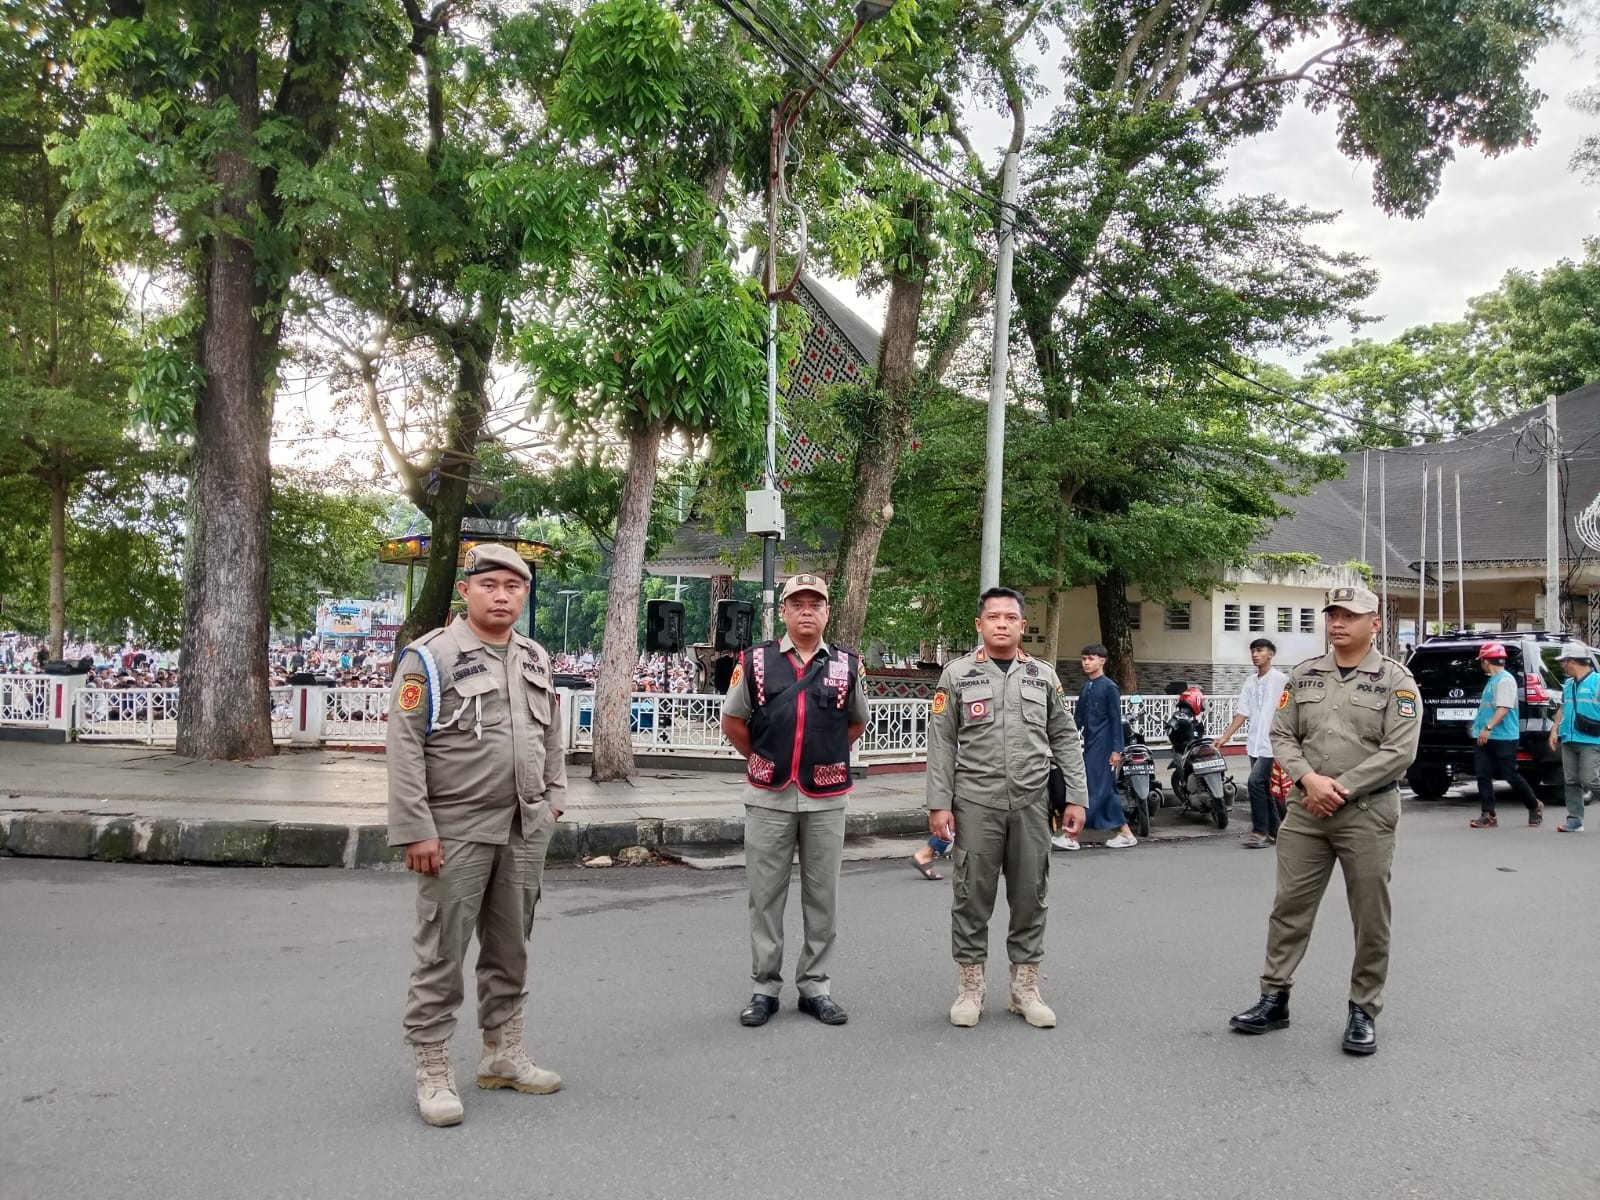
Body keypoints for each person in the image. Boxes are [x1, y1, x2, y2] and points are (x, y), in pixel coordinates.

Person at [386, 543, 566, 1127]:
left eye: (513, 587)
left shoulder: (535, 657)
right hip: (455, 829)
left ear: (525, 594)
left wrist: (555, 800)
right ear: (466, 591)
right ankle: (434, 1069)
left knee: (511, 947)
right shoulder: (430, 658)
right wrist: (415, 828)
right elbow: (405, 746)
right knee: (442, 952)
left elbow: (552, 736)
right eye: (489, 584)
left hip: (523, 827)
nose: (502, 595)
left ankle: (503, 1053)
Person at [1229, 584, 1420, 1057]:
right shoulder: (1304, 676)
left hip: (1368, 812)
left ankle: (1363, 1009)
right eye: (1332, 614)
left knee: (1370, 916)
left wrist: (1340, 787)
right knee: (1289, 907)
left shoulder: (1397, 681)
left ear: (1374, 623)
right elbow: (1282, 733)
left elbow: (1400, 752)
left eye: (1350, 616)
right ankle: (1274, 998)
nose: (1337, 623)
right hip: (1306, 811)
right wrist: (1309, 780)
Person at [926, 587, 1089, 1028]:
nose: (1002, 623)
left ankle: (1025, 988)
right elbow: (940, 744)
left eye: (1010, 617)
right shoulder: (957, 675)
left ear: (1022, 625)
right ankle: (970, 988)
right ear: (979, 625)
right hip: (976, 803)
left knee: (1030, 897)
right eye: (993, 617)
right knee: (970, 897)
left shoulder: (1043, 676)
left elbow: (1065, 739)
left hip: (1032, 804)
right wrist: (939, 804)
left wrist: (1076, 795)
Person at [719, 573, 868, 1028]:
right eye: (797, 603)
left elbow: (856, 723)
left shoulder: (847, 664)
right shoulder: (756, 661)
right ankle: (764, 987)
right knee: (765, 898)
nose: (807, 610)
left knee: (823, 897)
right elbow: (733, 720)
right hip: (769, 795)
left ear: (827, 612)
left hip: (826, 797)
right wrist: (767, 758)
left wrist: (818, 755)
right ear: (783, 611)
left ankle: (816, 987)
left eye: (815, 604)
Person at [1215, 638, 1290, 849]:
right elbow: (1242, 713)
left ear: (1271, 654)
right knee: (1265, 788)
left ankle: (1260, 832)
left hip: (1273, 743)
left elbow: (1290, 710)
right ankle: (1276, 832)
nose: (1255, 655)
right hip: (1255, 743)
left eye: (1260, 650)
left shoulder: (1281, 680)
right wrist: (1224, 737)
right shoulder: (1250, 681)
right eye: (1252, 651)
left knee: (1255, 783)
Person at [1467, 641, 1543, 829]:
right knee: (1483, 774)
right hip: (1485, 736)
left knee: (1510, 774)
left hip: (1503, 737)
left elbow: (1504, 708)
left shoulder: (1505, 680)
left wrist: (1488, 727)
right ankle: (1488, 814)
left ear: (1485, 660)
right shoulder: (1492, 680)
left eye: (1481, 660)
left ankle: (1534, 805)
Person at [1068, 643, 1133, 849]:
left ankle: (1071, 836)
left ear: (1102, 661)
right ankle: (1125, 833)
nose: (1086, 663)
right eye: (1084, 659)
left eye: (1091, 659)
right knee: (1103, 789)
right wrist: (1065, 738)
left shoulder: (1109, 687)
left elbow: (1116, 719)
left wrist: (1116, 750)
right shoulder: (1086, 686)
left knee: (1095, 789)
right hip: (1091, 743)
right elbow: (1078, 718)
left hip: (1104, 745)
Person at [1549, 642, 1600, 833]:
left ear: (1571, 661)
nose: (1562, 665)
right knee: (1571, 781)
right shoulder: (1568, 684)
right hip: (1569, 739)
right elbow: (1562, 708)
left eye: (1563, 661)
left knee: (1590, 780)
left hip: (1592, 740)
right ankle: (1575, 819)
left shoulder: (1597, 681)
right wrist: (1555, 730)